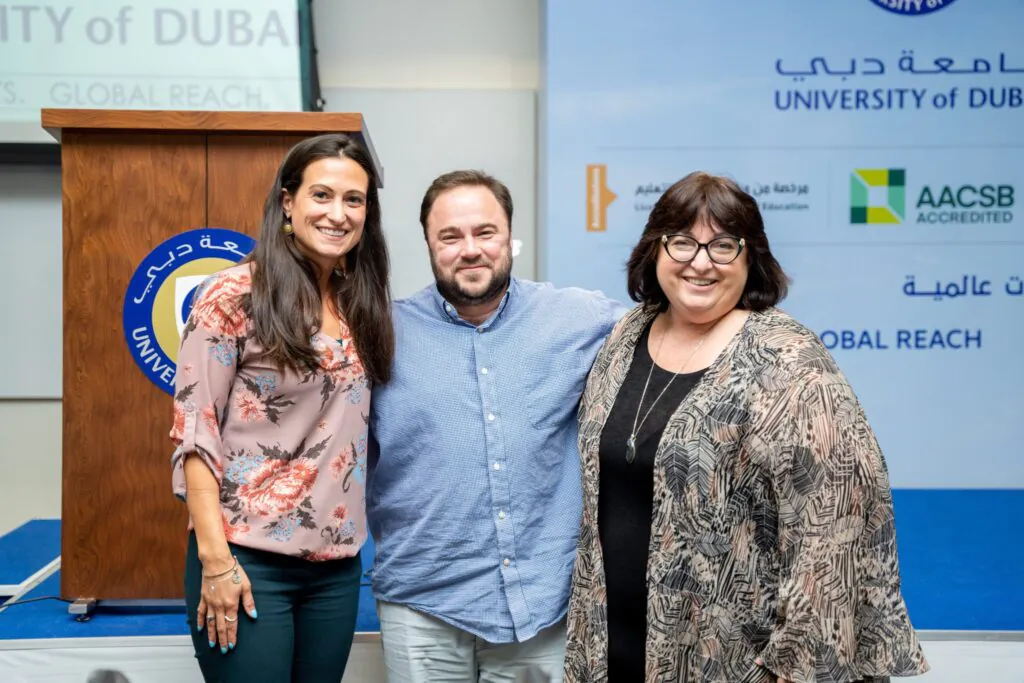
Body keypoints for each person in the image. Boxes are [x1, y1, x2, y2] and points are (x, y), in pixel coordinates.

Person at [563, 172, 930, 683]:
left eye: (723, 245)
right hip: (616, 649)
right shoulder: (626, 336)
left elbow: (834, 527)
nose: (700, 261)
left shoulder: (789, 361)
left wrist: (797, 669)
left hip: (740, 663)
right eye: (683, 242)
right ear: (655, 249)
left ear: (750, 257)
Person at [367, 170, 629, 683]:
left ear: (509, 236)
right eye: (451, 236)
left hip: (544, 606)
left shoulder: (580, 318)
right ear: (427, 243)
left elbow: (676, 334)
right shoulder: (379, 333)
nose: (470, 250)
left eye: (485, 232)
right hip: (424, 604)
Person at [168, 133, 394, 682]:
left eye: (354, 200)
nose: (338, 213)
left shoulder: (360, 300)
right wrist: (215, 560)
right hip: (248, 559)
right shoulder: (234, 295)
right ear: (288, 202)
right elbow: (196, 433)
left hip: (337, 566)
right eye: (322, 195)